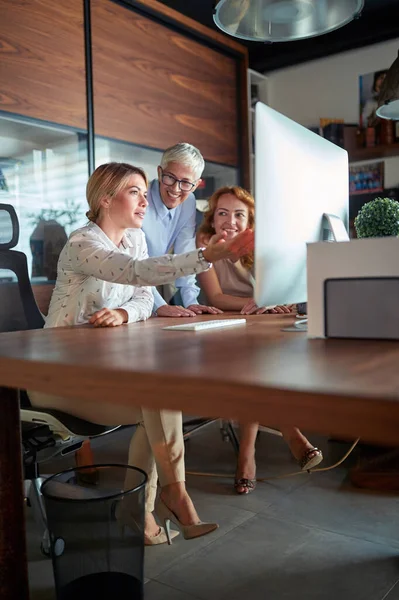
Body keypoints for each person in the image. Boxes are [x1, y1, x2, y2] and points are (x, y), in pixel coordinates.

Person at [28, 163, 254, 543]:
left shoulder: (134, 239)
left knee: (159, 399)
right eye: (134, 191)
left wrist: (123, 312)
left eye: (143, 192)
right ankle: (158, 502)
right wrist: (205, 256)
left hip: (96, 369)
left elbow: (144, 297)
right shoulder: (83, 244)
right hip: (57, 376)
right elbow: (135, 273)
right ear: (104, 198)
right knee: (157, 405)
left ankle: (153, 504)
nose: (145, 198)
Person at [196, 185, 323, 495]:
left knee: (261, 363)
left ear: (249, 220)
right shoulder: (204, 245)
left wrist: (272, 299)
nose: (230, 221)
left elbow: (283, 286)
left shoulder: (258, 245)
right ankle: (267, 445)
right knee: (253, 366)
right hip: (221, 328)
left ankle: (249, 453)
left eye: (239, 215)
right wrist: (253, 302)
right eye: (222, 213)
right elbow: (215, 295)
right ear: (212, 219)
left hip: (258, 324)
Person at [142, 142, 222, 318]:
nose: (176, 189)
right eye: (170, 177)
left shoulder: (189, 201)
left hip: (147, 290)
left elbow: (185, 255)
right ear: (159, 172)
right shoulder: (140, 197)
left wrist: (191, 302)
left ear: (196, 184)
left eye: (186, 182)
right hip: (119, 287)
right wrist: (160, 306)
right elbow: (132, 265)